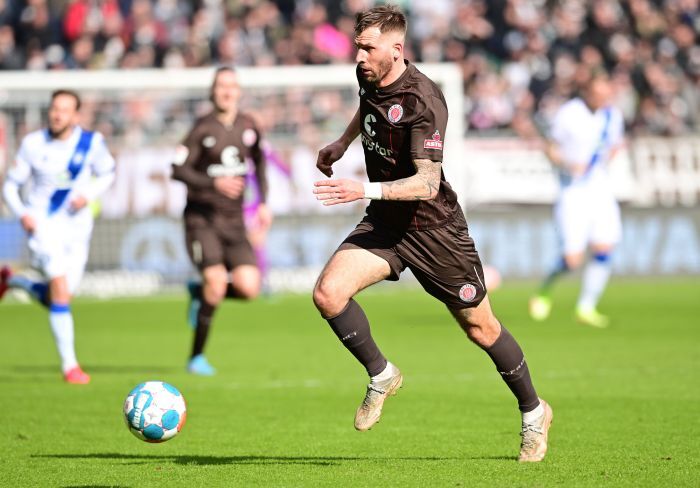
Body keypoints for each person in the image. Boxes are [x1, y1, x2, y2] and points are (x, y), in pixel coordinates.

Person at [311, 6, 552, 463]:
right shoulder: (368, 75)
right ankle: (381, 374)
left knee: (481, 328)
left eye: (368, 48)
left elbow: (427, 183)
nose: (359, 56)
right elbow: (367, 107)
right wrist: (342, 143)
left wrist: (361, 188)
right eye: (358, 47)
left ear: (396, 49)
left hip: (435, 230)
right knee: (328, 294)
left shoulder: (423, 100)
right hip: (386, 223)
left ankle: (534, 412)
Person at [0, 89, 115, 384]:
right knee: (61, 291)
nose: (57, 115)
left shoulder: (91, 143)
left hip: (77, 229)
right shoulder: (33, 144)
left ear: (76, 116)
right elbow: (10, 186)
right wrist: (22, 213)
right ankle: (70, 366)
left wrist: (87, 194)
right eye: (54, 108)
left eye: (64, 110)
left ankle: (14, 281)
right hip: (42, 226)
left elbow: (108, 173)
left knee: (59, 297)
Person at [171, 66, 271, 376]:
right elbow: (177, 170)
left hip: (234, 221)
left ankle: (199, 293)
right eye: (221, 86)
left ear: (238, 92)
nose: (227, 91)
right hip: (202, 220)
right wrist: (212, 183)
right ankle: (196, 358)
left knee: (249, 288)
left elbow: (260, 163)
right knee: (215, 283)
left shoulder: (248, 126)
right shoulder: (201, 128)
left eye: (231, 86)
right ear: (212, 92)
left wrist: (263, 203)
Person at [529, 73, 624, 328]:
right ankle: (544, 290)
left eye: (606, 93)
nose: (603, 98)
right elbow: (550, 147)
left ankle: (586, 307)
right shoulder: (569, 114)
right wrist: (568, 164)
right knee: (572, 260)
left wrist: (608, 157)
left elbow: (615, 144)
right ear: (587, 92)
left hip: (601, 190)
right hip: (573, 192)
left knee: (604, 249)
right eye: (599, 93)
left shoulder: (612, 115)